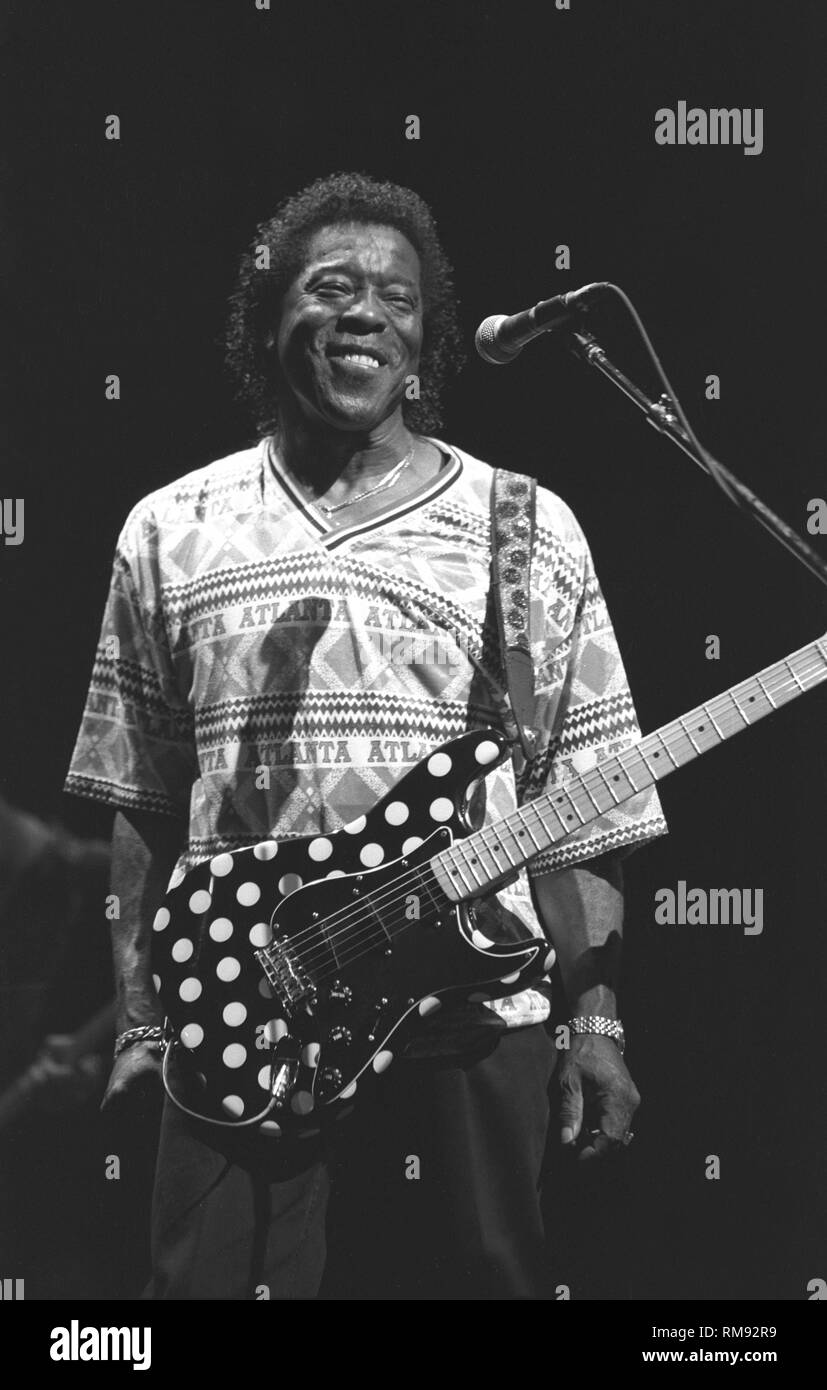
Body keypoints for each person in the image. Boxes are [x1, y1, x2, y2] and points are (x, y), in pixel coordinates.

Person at [64, 172, 667, 1300]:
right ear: (266, 319)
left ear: (425, 341)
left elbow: (583, 800)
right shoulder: (169, 526)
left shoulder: (523, 525)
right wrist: (141, 1022)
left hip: (474, 1014)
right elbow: (141, 797)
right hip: (239, 1005)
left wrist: (597, 1019)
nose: (362, 313)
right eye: (329, 287)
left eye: (394, 298)